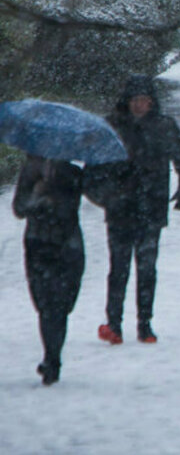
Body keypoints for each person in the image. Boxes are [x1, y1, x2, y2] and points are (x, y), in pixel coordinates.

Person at [92, 75, 180, 345]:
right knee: (119, 269)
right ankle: (114, 323)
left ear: (152, 102)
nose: (140, 105)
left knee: (147, 269)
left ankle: (144, 324)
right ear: (127, 101)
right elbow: (92, 171)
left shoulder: (164, 127)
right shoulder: (112, 127)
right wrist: (106, 197)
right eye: (136, 100)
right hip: (120, 210)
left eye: (145, 100)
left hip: (151, 207)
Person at [13, 155, 86, 385]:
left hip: (67, 245)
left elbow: (73, 206)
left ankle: (53, 357)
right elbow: (19, 207)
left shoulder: (73, 173)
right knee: (46, 305)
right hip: (39, 244)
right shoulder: (30, 171)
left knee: (61, 305)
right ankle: (51, 358)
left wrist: (56, 191)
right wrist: (38, 197)